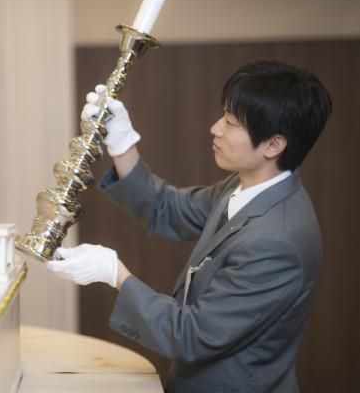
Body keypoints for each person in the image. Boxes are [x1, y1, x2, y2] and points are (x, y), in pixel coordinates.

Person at [47, 59, 332, 393]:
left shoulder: (277, 241)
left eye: (231, 122)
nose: (216, 128)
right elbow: (168, 209)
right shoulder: (245, 187)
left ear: (273, 145)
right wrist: (122, 143)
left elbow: (194, 335)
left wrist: (115, 274)